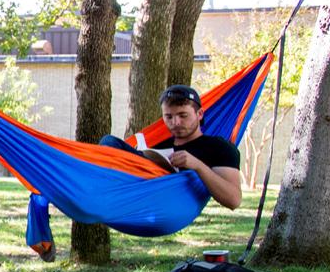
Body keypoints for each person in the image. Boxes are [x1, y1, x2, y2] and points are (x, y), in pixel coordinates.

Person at [98, 84, 243, 209]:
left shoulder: (219, 148)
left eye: (183, 115)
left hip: (166, 203)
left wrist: (198, 166)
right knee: (109, 142)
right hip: (134, 191)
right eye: (169, 117)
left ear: (199, 114)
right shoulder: (158, 145)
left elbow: (233, 200)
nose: (176, 122)